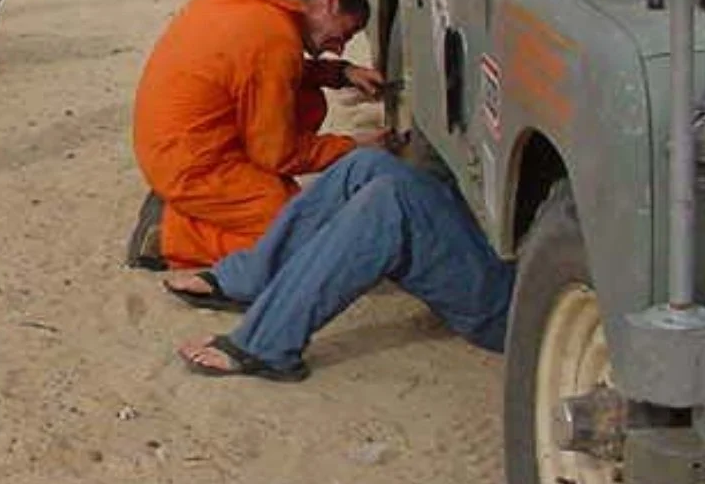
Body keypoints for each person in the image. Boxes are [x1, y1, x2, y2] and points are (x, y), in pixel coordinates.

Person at [168, 148, 515, 381]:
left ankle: (264, 345)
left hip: (514, 307)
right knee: (365, 164)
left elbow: (276, 148)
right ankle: (255, 278)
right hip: (498, 251)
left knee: (391, 203)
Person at [129, 0, 386, 271]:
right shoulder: (274, 40)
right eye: (346, 34)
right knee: (299, 233)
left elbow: (259, 68)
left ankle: (204, 202)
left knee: (305, 99)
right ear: (331, 2)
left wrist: (340, 73)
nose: (338, 47)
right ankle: (170, 233)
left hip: (166, 141)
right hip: (189, 161)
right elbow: (277, 154)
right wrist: (353, 146)